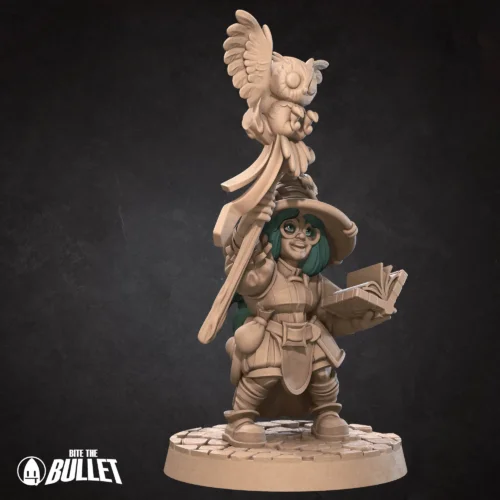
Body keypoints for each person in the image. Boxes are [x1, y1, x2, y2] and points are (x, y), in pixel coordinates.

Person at [223, 176, 388, 447]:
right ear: (274, 232)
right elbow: (239, 261)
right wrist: (249, 228)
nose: (301, 236)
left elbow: (335, 314)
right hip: (272, 333)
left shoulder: (316, 282)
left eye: (310, 232)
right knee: (264, 374)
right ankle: (240, 419)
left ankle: (327, 413)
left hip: (310, 336)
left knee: (323, 372)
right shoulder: (264, 272)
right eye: (290, 227)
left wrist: (364, 316)